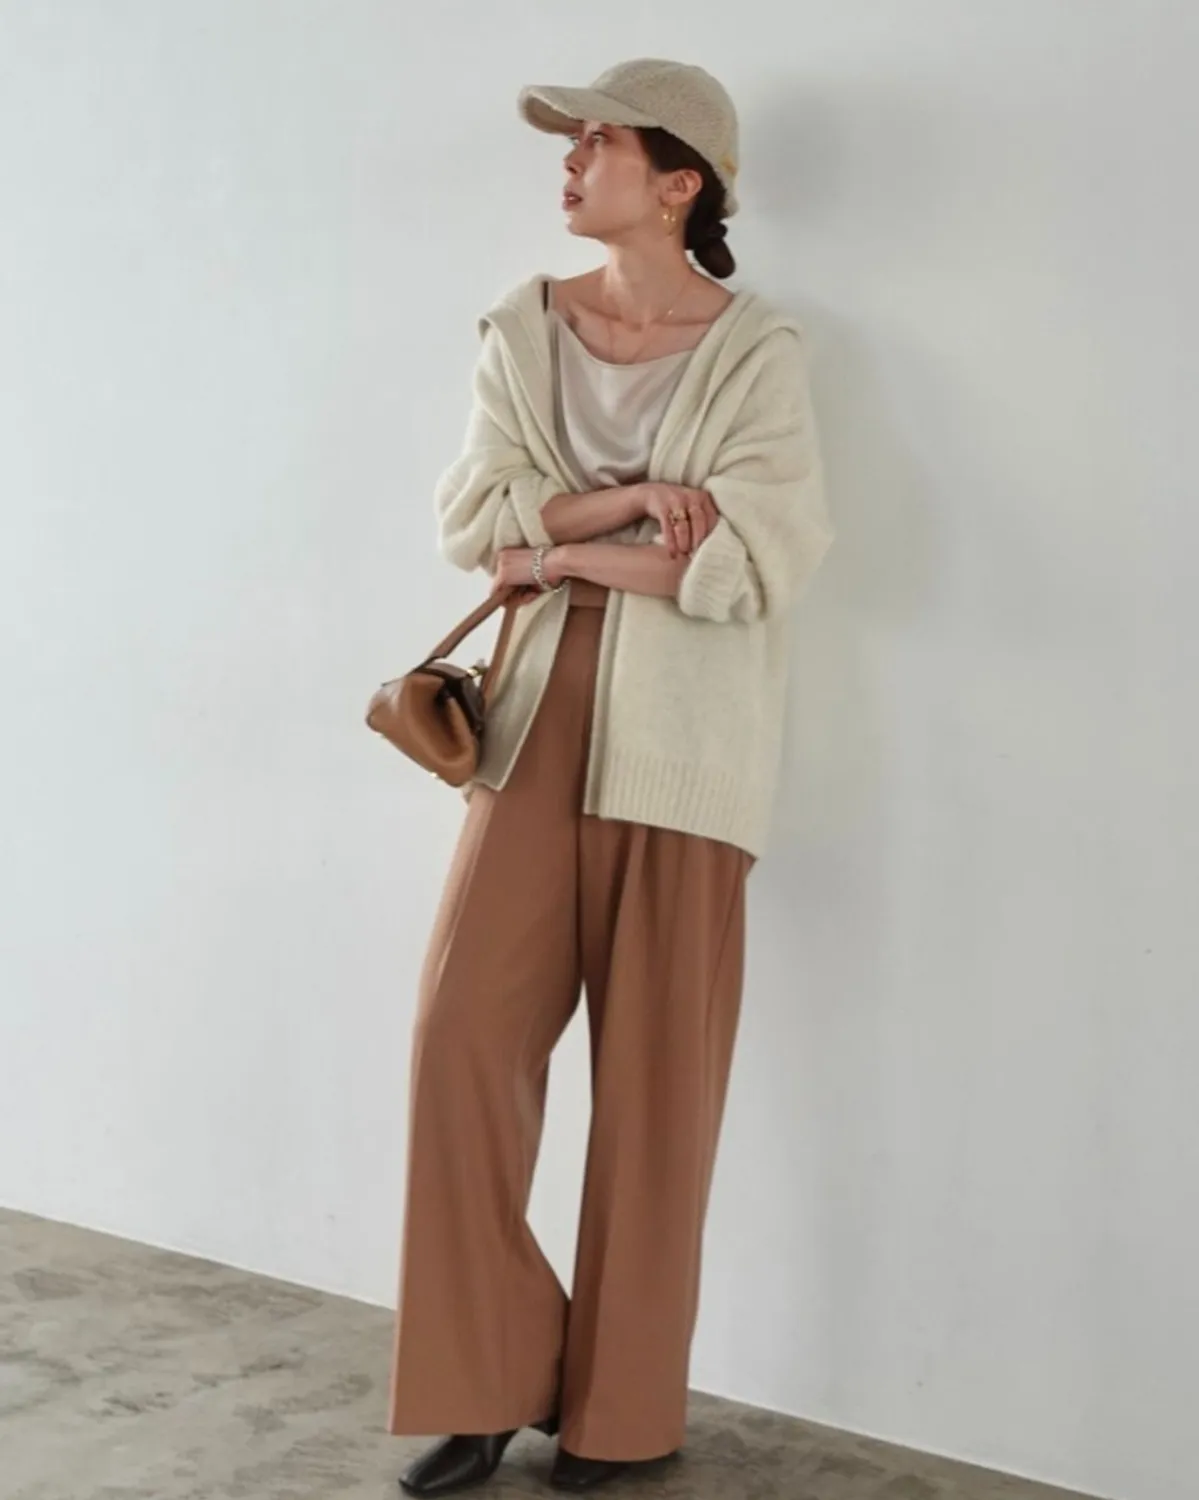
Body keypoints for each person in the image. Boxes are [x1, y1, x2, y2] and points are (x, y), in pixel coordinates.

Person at [386, 57, 835, 1496]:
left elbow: (755, 562)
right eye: (568, 143)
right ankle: (485, 1375)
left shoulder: (759, 353)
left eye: (598, 143)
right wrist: (637, 507)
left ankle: (621, 1416)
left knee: (656, 1095)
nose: (569, 163)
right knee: (461, 1046)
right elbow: (474, 522)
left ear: (680, 180)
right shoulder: (524, 329)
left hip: (690, 753)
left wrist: (562, 551)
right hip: (527, 735)